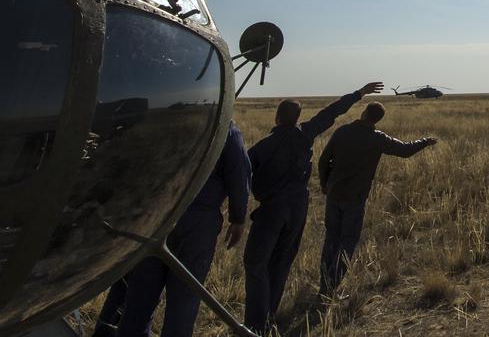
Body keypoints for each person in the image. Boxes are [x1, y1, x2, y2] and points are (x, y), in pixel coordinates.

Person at [242, 82, 381, 334]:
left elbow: (240, 173)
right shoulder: (305, 133)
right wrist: (359, 93)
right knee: (282, 261)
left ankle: (254, 324)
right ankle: (268, 316)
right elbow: (331, 112)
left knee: (255, 262)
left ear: (277, 117)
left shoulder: (264, 146)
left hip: (272, 209)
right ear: (297, 118)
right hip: (298, 208)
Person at [93, 122, 250, 337]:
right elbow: (239, 177)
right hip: (196, 225)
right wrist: (238, 219)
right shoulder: (228, 133)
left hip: (157, 217)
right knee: (184, 299)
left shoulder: (176, 124)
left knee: (140, 295)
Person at [316, 101, 437, 294]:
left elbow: (324, 159)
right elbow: (405, 150)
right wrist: (424, 141)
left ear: (364, 113)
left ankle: (325, 284)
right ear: (377, 120)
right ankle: (331, 286)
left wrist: (324, 183)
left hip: (334, 193)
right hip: (355, 198)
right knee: (347, 241)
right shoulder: (377, 138)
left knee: (331, 238)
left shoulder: (342, 132)